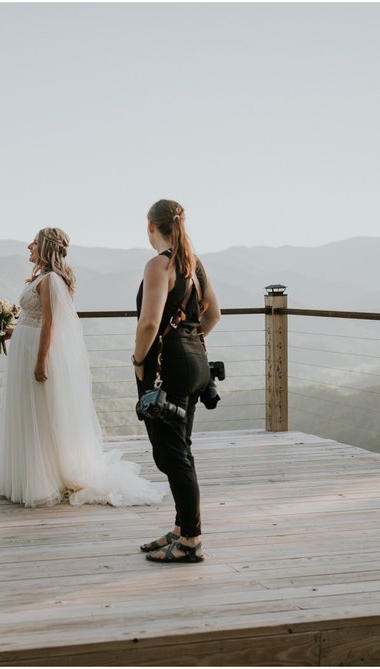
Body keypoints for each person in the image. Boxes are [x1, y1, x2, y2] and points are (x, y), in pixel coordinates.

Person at [0, 227, 166, 508]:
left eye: (34, 243)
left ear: (46, 247)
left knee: (39, 412)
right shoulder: (41, 277)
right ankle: (27, 476)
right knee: (26, 410)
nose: (29, 246)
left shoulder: (51, 280)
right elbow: (34, 319)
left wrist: (40, 361)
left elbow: (50, 324)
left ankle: (42, 481)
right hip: (23, 349)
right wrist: (11, 330)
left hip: (35, 354)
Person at [133, 199, 220, 563]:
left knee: (172, 455)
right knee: (180, 451)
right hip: (196, 363)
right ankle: (183, 528)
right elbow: (212, 314)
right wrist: (186, 342)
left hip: (166, 369)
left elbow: (150, 323)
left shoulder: (159, 264)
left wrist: (139, 360)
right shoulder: (193, 264)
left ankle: (191, 542)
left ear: (151, 227)